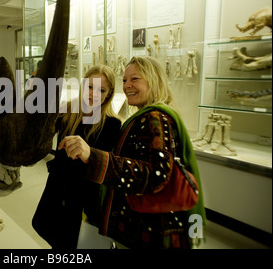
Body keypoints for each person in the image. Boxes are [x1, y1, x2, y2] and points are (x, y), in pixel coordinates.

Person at [58, 56, 206, 249]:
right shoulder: (147, 116)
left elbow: (156, 176)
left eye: (135, 79)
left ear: (153, 80)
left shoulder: (155, 118)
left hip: (150, 231)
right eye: (125, 80)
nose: (127, 85)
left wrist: (93, 156)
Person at [32, 64, 122, 249]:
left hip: (82, 202)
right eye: (90, 87)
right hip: (56, 192)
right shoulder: (68, 113)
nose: (93, 94)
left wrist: (87, 153)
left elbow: (105, 169)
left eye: (101, 89)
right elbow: (41, 134)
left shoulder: (112, 125)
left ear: (109, 93)